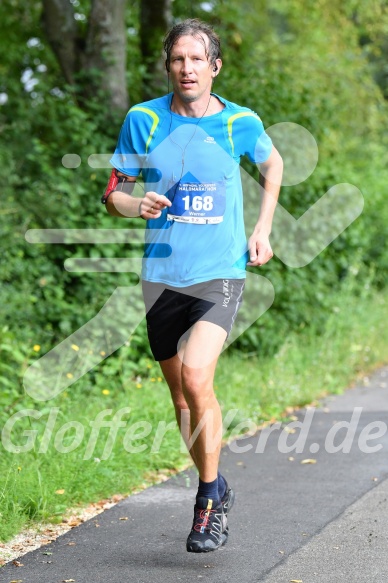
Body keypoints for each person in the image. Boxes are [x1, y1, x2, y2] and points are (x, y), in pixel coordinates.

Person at [102, 18, 283, 553]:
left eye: (197, 59)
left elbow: (274, 164)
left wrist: (263, 228)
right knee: (182, 397)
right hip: (160, 277)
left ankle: (207, 501)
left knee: (199, 377)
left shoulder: (240, 123)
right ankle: (217, 481)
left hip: (221, 272)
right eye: (178, 59)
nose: (187, 68)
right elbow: (115, 191)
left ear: (215, 66)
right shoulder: (143, 120)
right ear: (168, 66)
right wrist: (139, 205)